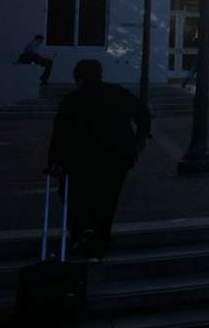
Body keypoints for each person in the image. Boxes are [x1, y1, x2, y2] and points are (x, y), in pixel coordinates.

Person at [46, 59, 151, 262]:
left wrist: (55, 161)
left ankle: (81, 230)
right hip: (118, 157)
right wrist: (141, 135)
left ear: (80, 78)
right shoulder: (117, 92)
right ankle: (96, 251)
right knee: (106, 203)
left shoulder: (72, 99)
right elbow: (142, 110)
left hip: (83, 158)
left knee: (73, 197)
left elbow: (60, 133)